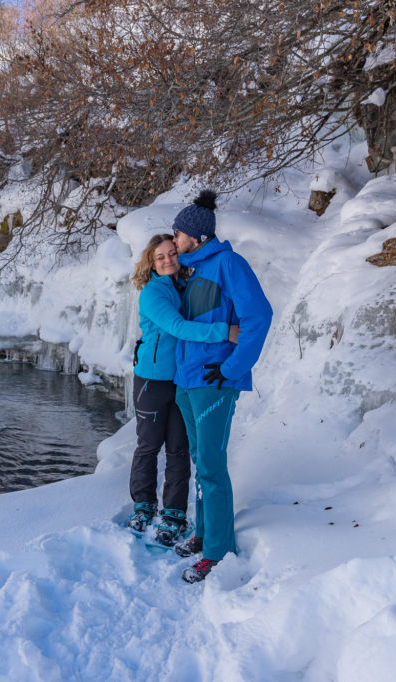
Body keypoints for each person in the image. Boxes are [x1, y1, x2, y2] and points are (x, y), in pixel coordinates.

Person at [170, 190, 273, 583]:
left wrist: (231, 369)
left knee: (211, 465)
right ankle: (203, 532)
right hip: (188, 380)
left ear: (196, 237)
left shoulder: (229, 264)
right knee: (201, 461)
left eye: (178, 234)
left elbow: (259, 317)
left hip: (214, 380)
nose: (174, 240)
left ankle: (218, 551)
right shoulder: (191, 269)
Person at [128, 234, 239, 546]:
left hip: (181, 380)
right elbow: (177, 327)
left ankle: (174, 512)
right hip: (151, 379)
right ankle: (143, 505)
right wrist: (224, 332)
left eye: (172, 253)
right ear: (151, 261)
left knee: (178, 448)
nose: (167, 260)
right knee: (149, 444)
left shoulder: (185, 287)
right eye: (160, 256)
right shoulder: (152, 293)